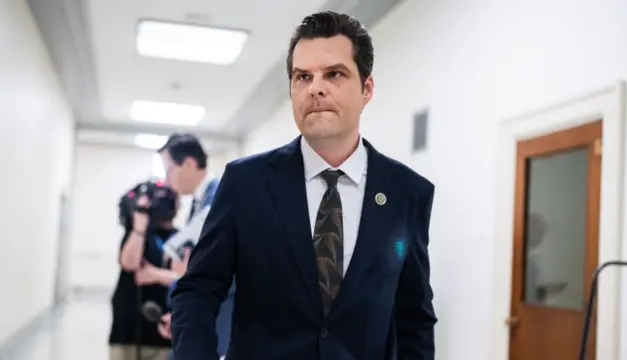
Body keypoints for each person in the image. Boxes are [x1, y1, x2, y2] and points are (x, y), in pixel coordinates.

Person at [171, 10, 437, 360]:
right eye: (302, 77)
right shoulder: (247, 183)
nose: (316, 88)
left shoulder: (407, 193)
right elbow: (198, 289)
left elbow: (413, 317)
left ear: (366, 88)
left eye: (334, 74)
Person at [155, 133, 233, 358]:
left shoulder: (222, 199)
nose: (167, 180)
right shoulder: (199, 204)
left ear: (188, 164)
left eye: (169, 170)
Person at [109, 182, 187, 360]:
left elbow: (184, 277)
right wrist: (139, 227)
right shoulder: (137, 233)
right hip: (128, 327)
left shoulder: (181, 238)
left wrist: (155, 275)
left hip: (164, 329)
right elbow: (129, 264)